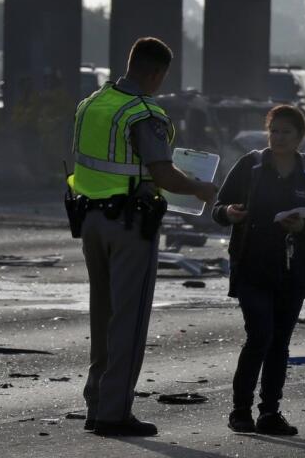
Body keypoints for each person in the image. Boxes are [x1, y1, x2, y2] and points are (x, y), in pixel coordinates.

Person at [69, 37, 218, 437]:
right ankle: (114, 413)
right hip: (129, 225)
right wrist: (200, 189)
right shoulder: (143, 113)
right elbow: (164, 174)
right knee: (128, 320)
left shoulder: (93, 103)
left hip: (91, 219)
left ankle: (97, 403)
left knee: (103, 316)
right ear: (156, 73)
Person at [214, 104, 305, 437]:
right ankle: (240, 411)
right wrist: (229, 212)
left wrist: (302, 229)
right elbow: (218, 208)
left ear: (299, 137)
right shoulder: (250, 165)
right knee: (260, 336)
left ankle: (270, 412)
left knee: (280, 343)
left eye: (286, 132)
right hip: (253, 266)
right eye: (274, 130)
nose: (278, 137)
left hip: (294, 270)